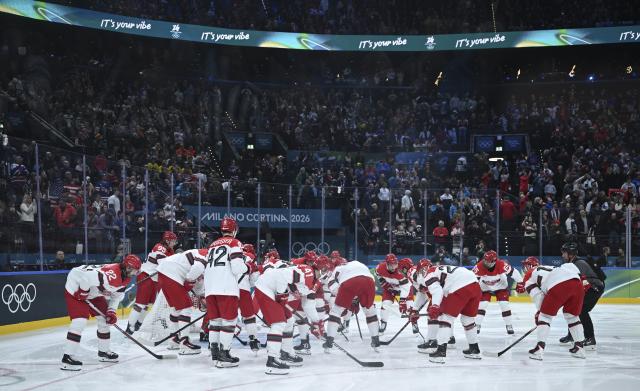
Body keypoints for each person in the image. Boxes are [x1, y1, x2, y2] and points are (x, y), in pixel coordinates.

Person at [61, 255, 141, 370]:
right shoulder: (112, 274)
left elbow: (116, 297)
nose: (136, 273)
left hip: (93, 290)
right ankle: (67, 357)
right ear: (128, 268)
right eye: (135, 270)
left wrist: (111, 311)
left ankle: (103, 352)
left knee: (105, 321)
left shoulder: (125, 278)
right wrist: (83, 291)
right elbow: (86, 277)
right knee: (80, 321)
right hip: (76, 284)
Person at [518, 256, 587, 360]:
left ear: (529, 266)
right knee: (572, 316)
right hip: (578, 284)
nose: (524, 269)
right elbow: (572, 269)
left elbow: (539, 297)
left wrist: (540, 313)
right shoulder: (550, 267)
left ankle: (539, 349)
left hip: (559, 285)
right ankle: (580, 348)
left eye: (525, 266)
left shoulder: (528, 275)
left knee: (544, 317)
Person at [412, 264, 482, 363]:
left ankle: (440, 352)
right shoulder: (439, 269)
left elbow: (437, 291)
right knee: (467, 319)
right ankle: (474, 349)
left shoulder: (429, 274)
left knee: (445, 318)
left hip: (460, 286)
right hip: (475, 285)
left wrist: (435, 306)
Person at [204, 217, 248, 367]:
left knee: (215, 322)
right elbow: (237, 268)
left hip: (210, 287)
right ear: (234, 229)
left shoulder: (212, 245)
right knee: (229, 322)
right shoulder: (235, 243)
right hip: (226, 287)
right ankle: (224, 354)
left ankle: (215, 352)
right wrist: (247, 267)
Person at [255, 265, 312, 374]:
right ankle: (272, 360)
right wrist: (292, 295)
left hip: (271, 290)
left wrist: (293, 293)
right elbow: (281, 299)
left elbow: (285, 293)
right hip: (264, 291)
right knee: (279, 323)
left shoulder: (290, 275)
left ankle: (285, 353)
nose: (299, 295)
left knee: (289, 320)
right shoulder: (284, 277)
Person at [156, 247, 208, 355]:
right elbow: (197, 269)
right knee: (186, 308)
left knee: (176, 309)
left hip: (164, 273)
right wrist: (189, 279)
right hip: (172, 273)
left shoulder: (205, 263)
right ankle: (184, 342)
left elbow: (199, 283)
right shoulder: (206, 254)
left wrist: (202, 297)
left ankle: (174, 339)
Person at [323, 260, 380, 353]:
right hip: (369, 282)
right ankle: (375, 340)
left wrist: (346, 301)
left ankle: (329, 341)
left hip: (350, 282)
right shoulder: (360, 264)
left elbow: (332, 285)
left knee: (335, 312)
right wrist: (356, 297)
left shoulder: (338, 268)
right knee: (370, 312)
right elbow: (370, 279)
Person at [126, 231, 177, 334]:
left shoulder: (170, 250)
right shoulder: (160, 248)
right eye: (173, 241)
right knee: (140, 304)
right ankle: (129, 327)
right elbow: (165, 266)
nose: (174, 242)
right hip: (147, 276)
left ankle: (138, 324)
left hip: (154, 279)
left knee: (148, 304)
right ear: (167, 240)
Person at [557, 242, 605, 350]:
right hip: (589, 288)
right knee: (573, 309)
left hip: (594, 289)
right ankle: (572, 336)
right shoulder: (572, 263)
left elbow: (578, 282)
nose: (562, 255)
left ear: (570, 254)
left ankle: (590, 339)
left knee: (581, 310)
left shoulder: (579, 263)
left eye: (564, 253)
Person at [472, 250, 522, 335]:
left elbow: (514, 272)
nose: (484, 262)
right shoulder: (479, 266)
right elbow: (471, 278)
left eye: (487, 261)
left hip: (501, 286)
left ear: (494, 261)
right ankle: (477, 325)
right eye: (484, 259)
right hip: (485, 287)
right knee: (482, 305)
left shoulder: (502, 264)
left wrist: (520, 283)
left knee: (504, 305)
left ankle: (509, 325)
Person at [375, 253, 412, 333]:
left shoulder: (401, 271)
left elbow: (406, 287)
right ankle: (383, 323)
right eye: (391, 265)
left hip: (404, 288)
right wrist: (387, 286)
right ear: (387, 264)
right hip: (390, 288)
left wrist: (402, 301)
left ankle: (414, 323)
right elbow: (378, 276)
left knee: (410, 306)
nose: (393, 267)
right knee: (385, 305)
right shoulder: (380, 268)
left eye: (395, 265)